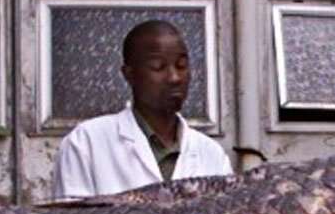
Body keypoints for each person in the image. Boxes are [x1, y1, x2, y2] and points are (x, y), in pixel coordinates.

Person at [54, 20, 232, 197]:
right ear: (129, 74)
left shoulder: (212, 154)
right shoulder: (86, 143)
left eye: (181, 66)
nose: (174, 78)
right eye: (158, 67)